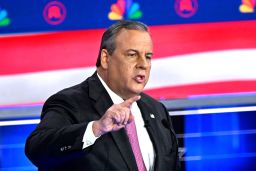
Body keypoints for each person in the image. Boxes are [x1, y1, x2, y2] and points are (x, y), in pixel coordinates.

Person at [25, 20, 180, 171]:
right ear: (106, 59)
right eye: (132, 54)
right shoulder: (70, 102)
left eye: (148, 56)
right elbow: (37, 149)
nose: (143, 64)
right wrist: (96, 128)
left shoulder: (157, 110)